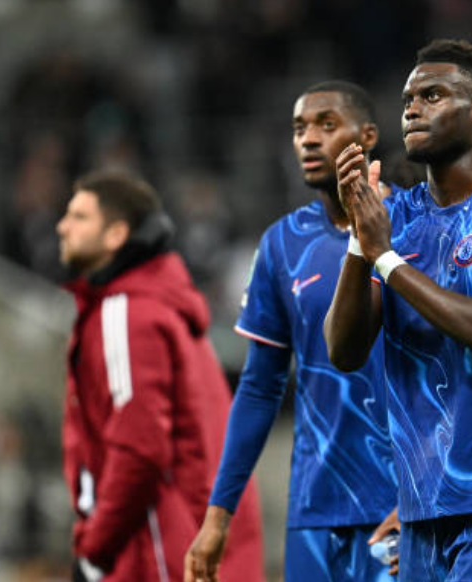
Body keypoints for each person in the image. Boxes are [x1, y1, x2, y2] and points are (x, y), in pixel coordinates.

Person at [325, 39, 472, 582]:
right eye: (408, 99)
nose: (412, 108)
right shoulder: (398, 217)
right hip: (422, 506)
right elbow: (343, 351)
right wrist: (360, 244)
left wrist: (386, 257)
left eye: (432, 95)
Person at [184, 81, 398, 582]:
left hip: (402, 505)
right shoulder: (282, 243)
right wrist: (218, 515)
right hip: (315, 508)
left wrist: (431, 497)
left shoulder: (415, 223)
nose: (309, 139)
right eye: (300, 128)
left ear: (367, 136)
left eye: (328, 124)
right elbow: (260, 387)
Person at [57, 172, 264, 582]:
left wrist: (94, 551)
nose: (62, 227)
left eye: (79, 217)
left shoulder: (126, 313)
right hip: (202, 546)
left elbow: (139, 450)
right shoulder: (161, 307)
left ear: (116, 234)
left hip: (160, 553)